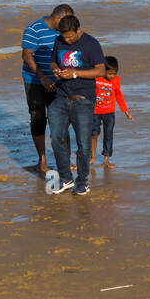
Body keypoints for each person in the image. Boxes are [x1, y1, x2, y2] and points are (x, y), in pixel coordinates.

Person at [48, 14, 107, 196]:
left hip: (83, 99)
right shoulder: (59, 41)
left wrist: (75, 74)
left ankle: (82, 182)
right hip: (60, 98)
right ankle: (66, 179)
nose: (66, 40)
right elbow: (52, 62)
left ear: (78, 30)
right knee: (56, 139)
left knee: (83, 144)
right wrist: (56, 70)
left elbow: (101, 70)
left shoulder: (91, 44)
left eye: (70, 37)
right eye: (64, 36)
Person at [22, 4, 74, 174]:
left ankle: (64, 160)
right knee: (38, 118)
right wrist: (42, 77)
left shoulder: (64, 31)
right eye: (66, 21)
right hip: (35, 81)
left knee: (61, 120)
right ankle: (42, 159)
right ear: (58, 17)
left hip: (58, 82)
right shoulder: (34, 29)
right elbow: (27, 54)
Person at [89, 55, 132, 167]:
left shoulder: (116, 81)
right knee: (94, 134)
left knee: (108, 135)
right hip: (95, 112)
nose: (112, 76)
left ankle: (106, 159)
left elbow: (119, 95)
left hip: (109, 113)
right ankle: (92, 156)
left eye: (114, 73)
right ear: (103, 70)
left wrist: (125, 111)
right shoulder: (96, 78)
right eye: (110, 73)